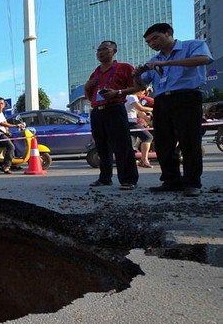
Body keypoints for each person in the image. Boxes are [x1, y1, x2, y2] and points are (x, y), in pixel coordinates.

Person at [129, 23, 213, 197]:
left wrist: (167, 62)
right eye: (148, 42)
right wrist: (136, 75)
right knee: (163, 142)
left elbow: (204, 59)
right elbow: (142, 85)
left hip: (187, 97)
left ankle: (192, 183)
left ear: (168, 33)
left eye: (155, 38)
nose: (152, 44)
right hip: (162, 101)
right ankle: (171, 180)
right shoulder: (155, 60)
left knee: (189, 141)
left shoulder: (192, 45)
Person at [83, 40, 138, 191]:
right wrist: (87, 88)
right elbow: (90, 96)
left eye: (105, 49)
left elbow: (136, 87)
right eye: (98, 50)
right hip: (97, 111)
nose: (101, 52)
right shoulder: (96, 72)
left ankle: (128, 179)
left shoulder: (124, 68)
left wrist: (117, 92)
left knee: (122, 145)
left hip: (115, 108)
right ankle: (104, 178)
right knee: (101, 146)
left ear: (114, 51)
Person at [0, 97, 25, 174]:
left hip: (3, 134)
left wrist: (7, 131)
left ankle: (13, 163)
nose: (0, 105)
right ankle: (5, 166)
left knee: (15, 142)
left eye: (2, 104)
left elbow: (5, 123)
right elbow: (3, 124)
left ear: (4, 105)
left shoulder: (1, 113)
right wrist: (16, 126)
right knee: (11, 147)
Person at [124, 92, 154, 168]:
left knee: (131, 143)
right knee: (148, 137)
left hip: (127, 122)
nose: (145, 94)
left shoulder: (128, 97)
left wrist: (148, 121)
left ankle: (132, 161)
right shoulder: (132, 97)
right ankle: (144, 160)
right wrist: (154, 109)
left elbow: (140, 113)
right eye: (144, 92)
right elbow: (140, 108)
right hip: (130, 122)